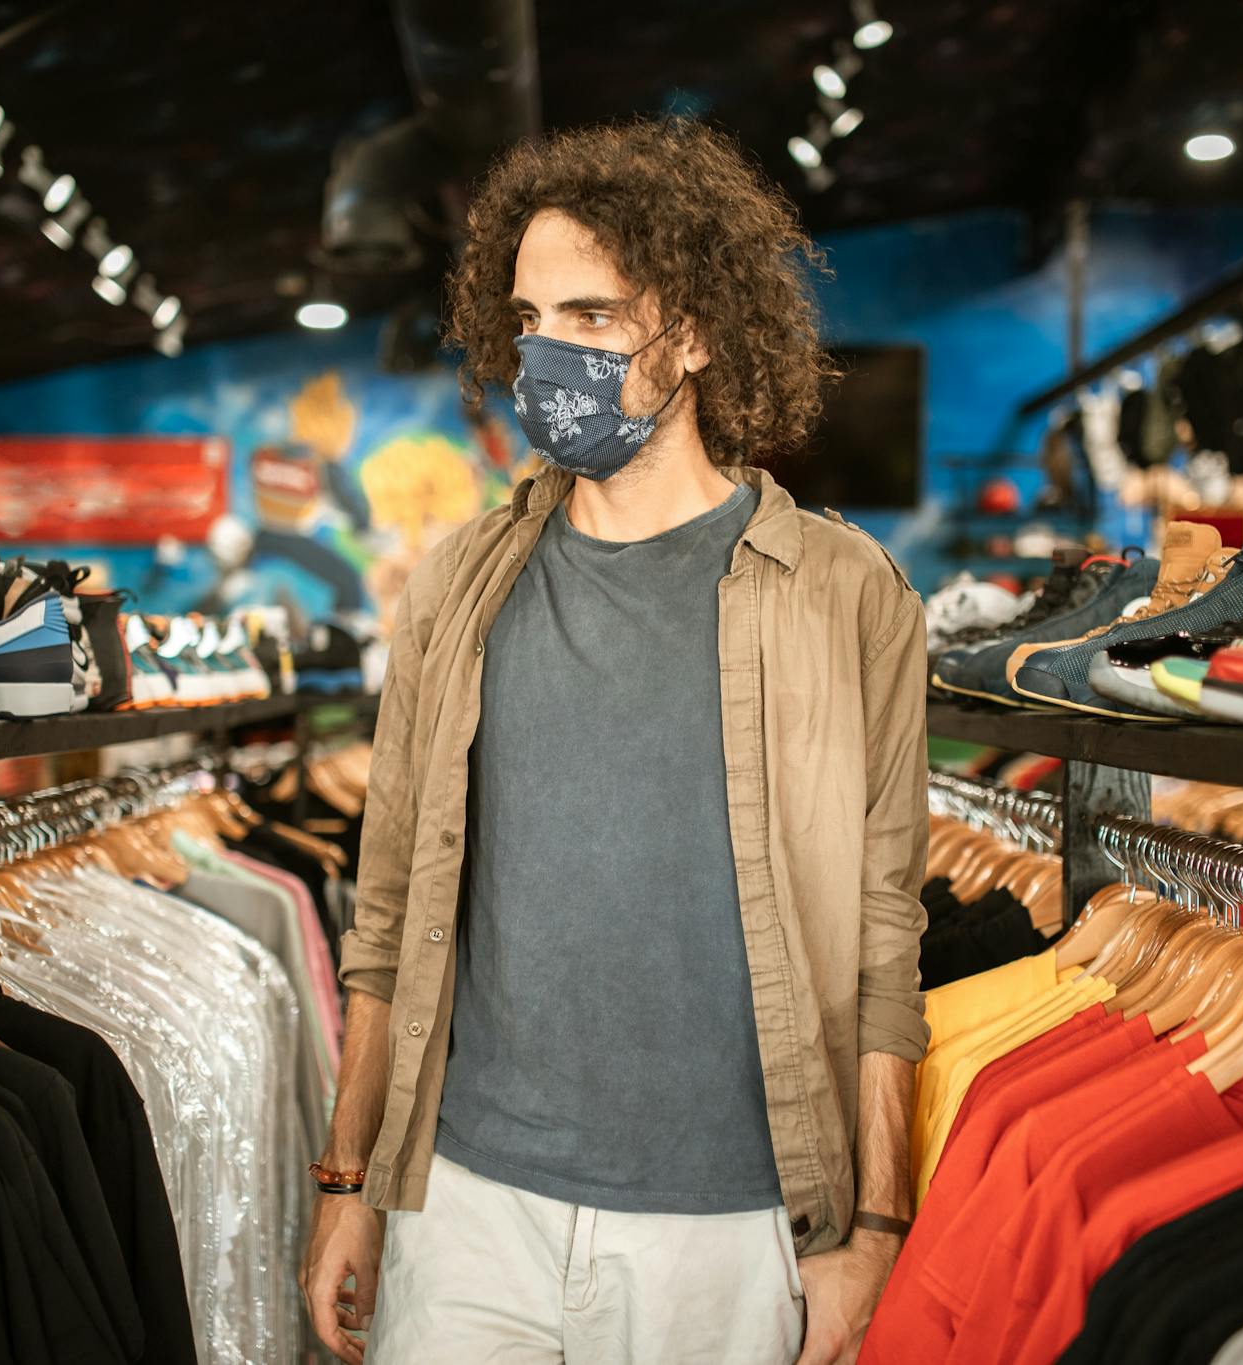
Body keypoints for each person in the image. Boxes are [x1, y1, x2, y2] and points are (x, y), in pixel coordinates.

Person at [298, 118, 929, 1365]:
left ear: (691, 331)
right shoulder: (457, 586)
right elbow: (385, 918)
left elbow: (882, 933)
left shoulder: (844, 593)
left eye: (590, 319)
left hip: (730, 1228)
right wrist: (345, 1185)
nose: (547, 358)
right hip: (465, 1207)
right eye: (528, 321)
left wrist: (871, 1228)